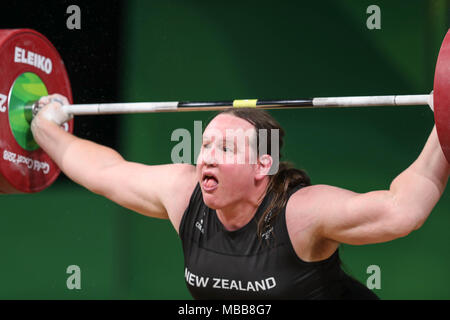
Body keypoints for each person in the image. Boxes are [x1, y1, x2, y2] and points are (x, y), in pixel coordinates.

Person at [31, 94, 449, 300]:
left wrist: (444, 122)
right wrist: (44, 126)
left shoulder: (301, 213)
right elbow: (107, 172)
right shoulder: (183, 195)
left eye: (226, 149)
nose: (207, 157)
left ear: (262, 167)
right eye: (206, 145)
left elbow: (402, 210)